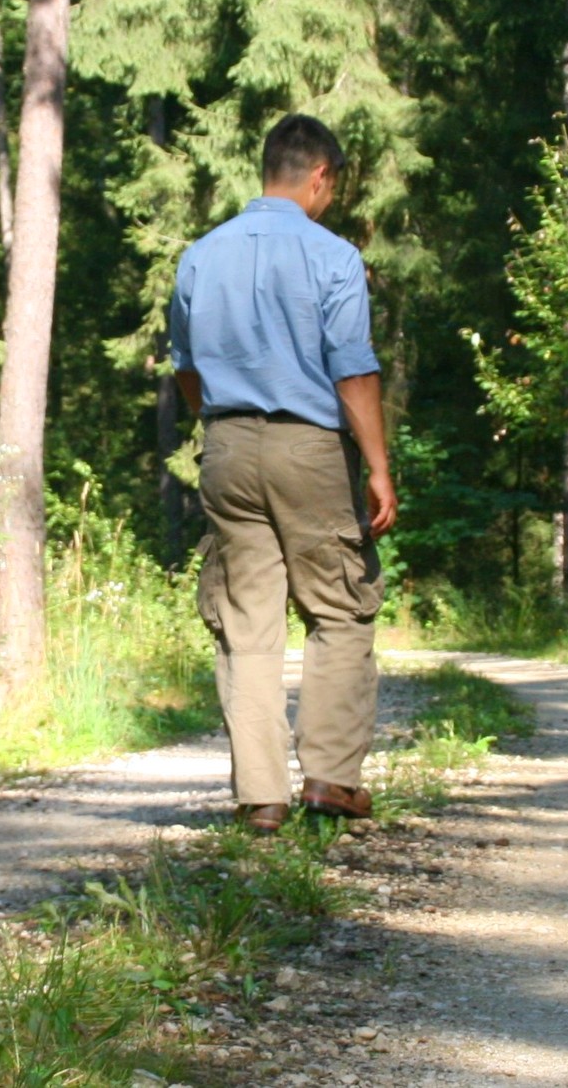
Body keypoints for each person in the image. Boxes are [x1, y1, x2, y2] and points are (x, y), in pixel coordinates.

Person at [169, 113, 398, 834]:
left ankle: (261, 795)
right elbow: (353, 369)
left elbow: (187, 370)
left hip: (227, 445)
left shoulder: (201, 255)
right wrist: (379, 468)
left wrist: (221, 427)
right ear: (320, 175)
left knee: (247, 619)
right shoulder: (332, 257)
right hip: (310, 446)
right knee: (339, 608)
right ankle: (329, 780)